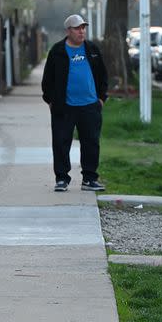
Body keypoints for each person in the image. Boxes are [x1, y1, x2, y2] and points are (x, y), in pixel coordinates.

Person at [41, 14, 108, 192]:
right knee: (61, 143)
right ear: (68, 31)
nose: (81, 31)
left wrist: (101, 98)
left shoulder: (92, 49)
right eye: (77, 28)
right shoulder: (57, 51)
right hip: (65, 107)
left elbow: (102, 75)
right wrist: (51, 100)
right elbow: (47, 80)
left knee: (91, 142)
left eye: (83, 28)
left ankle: (89, 178)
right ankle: (62, 178)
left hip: (90, 106)